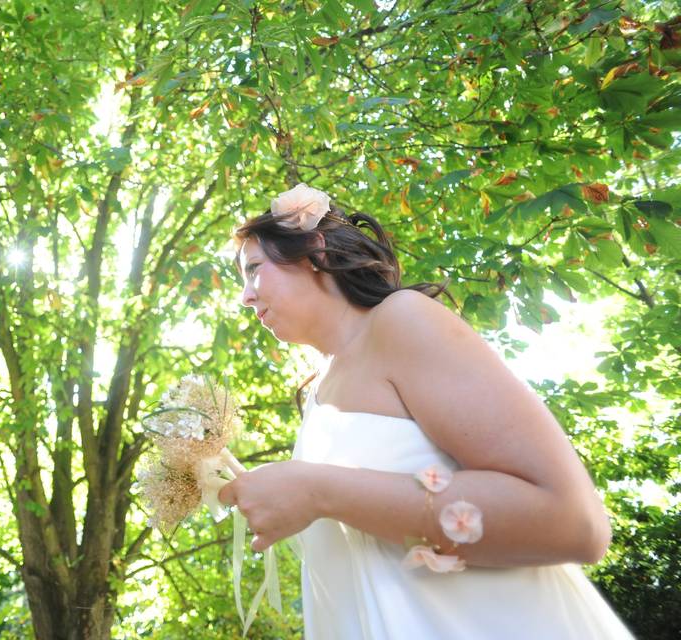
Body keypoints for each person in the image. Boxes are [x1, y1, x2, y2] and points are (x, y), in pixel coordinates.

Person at [217, 183, 635, 639]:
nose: (246, 297)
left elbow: (574, 522)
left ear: (313, 248)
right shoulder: (318, 396)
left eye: (254, 270)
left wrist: (320, 491)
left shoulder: (402, 319)